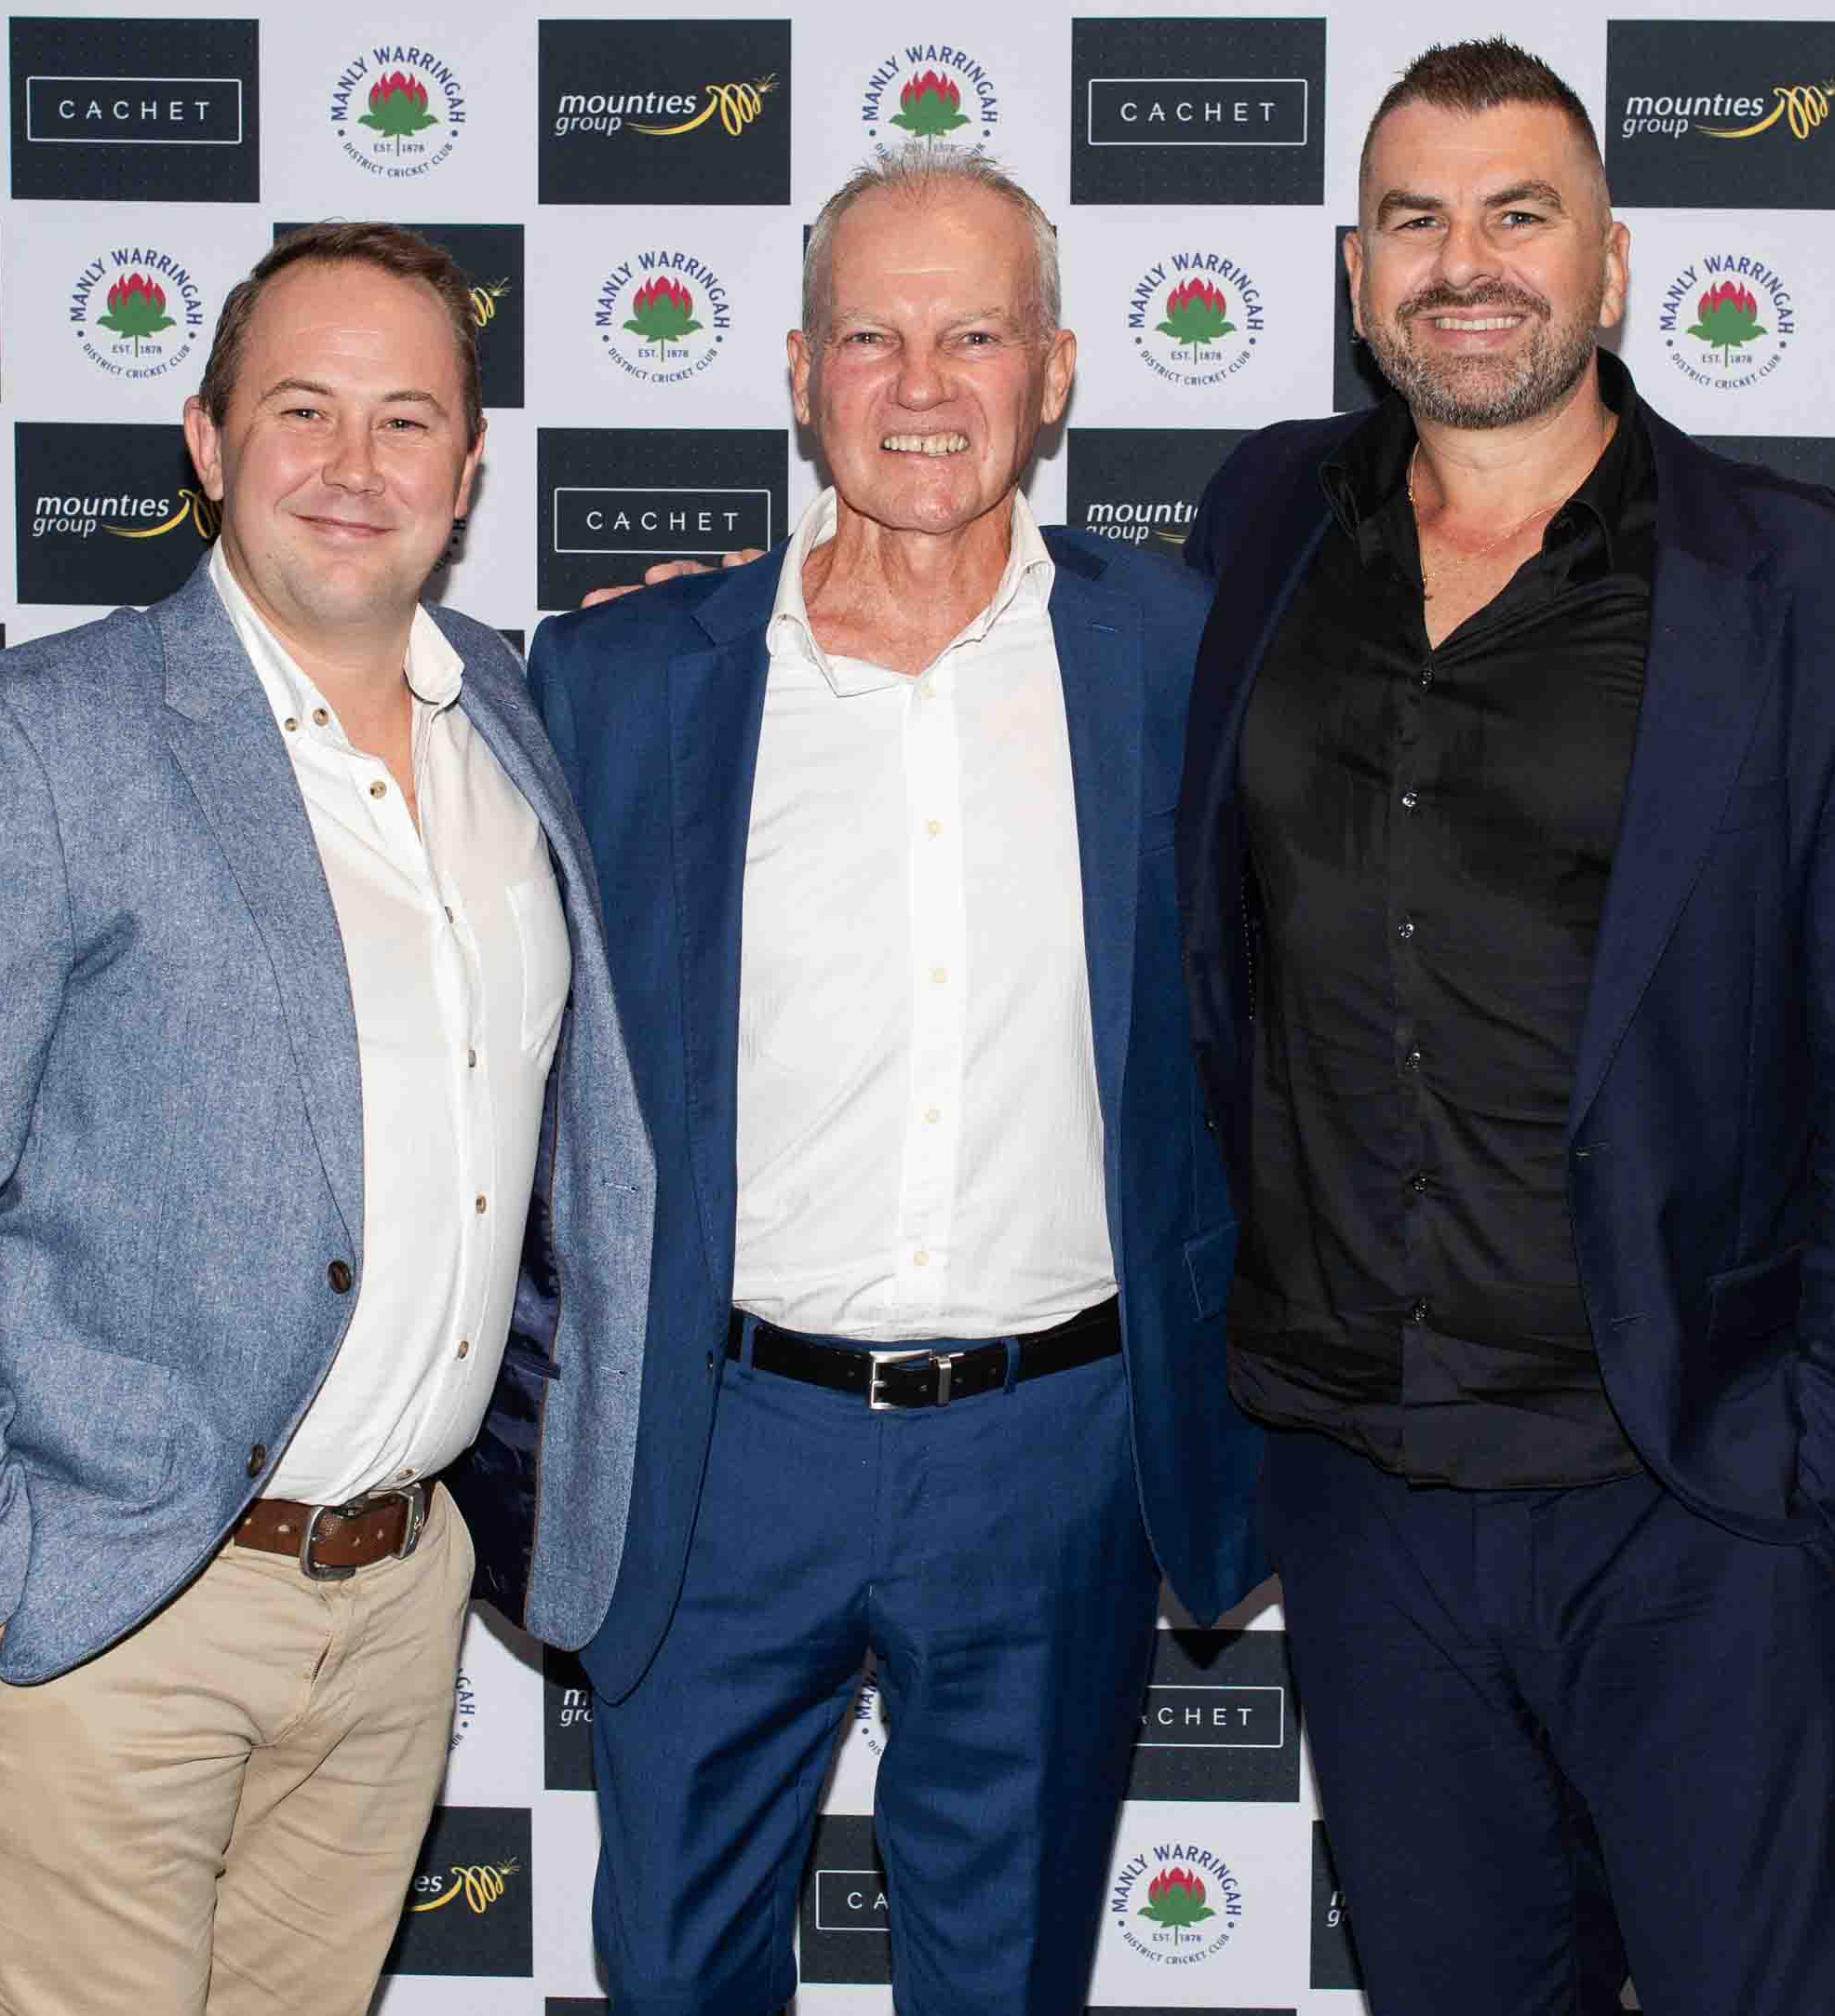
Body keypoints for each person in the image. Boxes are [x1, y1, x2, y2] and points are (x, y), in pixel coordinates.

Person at [1176, 39, 1835, 2015]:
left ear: (1609, 266)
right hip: (1361, 1497)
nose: (1465, 264)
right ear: (1356, 273)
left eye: (1518, 215)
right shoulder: (1258, 522)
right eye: (1415, 220)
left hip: (1696, 1502)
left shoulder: (1817, 600)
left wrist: (1819, 1486)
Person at [0, 222, 653, 2016]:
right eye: (302, 410)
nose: (354, 465)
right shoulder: (36, 743)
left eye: (407, 420)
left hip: (397, 1602)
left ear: (469, 467)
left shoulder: (508, 715)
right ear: (206, 439)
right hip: (105, 1610)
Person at [528, 145, 1263, 2013]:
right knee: (676, 1975)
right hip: (720, 1448)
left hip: (1053, 1451)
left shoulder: (1186, 659)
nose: (921, 384)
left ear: (1055, 370)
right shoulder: (618, 679)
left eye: (975, 334)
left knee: (1004, 1981)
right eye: (870, 335)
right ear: (799, 372)